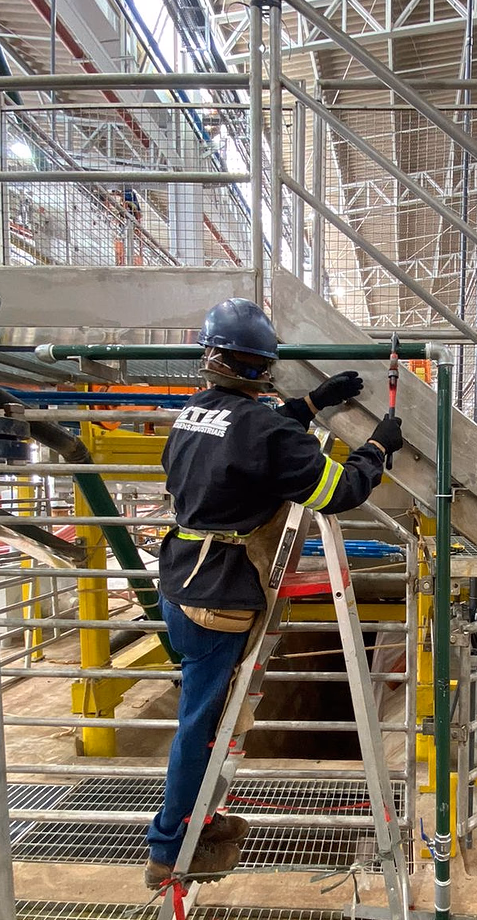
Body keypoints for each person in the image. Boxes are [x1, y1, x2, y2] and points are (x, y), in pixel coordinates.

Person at [145, 298, 403, 889]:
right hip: (222, 593)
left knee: (202, 713)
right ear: (265, 366)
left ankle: (192, 820)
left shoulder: (195, 414)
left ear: (209, 359)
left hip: (182, 577)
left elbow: (247, 435)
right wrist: (378, 449)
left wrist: (315, 404)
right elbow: (337, 491)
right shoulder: (262, 429)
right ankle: (171, 846)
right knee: (203, 725)